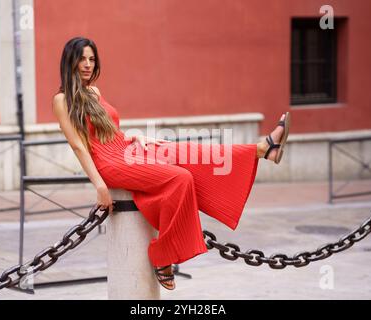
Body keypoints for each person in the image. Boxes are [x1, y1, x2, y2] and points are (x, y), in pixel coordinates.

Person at [52, 37, 290, 291]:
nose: (88, 65)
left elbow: (108, 129)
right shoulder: (62, 100)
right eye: (82, 59)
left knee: (192, 153)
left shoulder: (94, 92)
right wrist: (99, 185)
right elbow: (79, 145)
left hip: (126, 148)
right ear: (70, 61)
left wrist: (134, 136)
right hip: (110, 163)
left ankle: (263, 149)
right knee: (180, 178)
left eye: (92, 59)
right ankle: (163, 257)